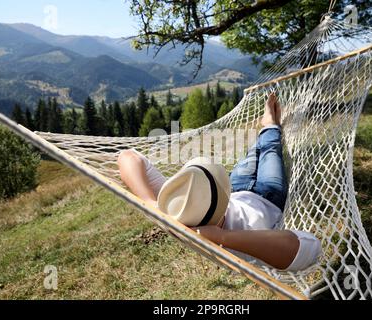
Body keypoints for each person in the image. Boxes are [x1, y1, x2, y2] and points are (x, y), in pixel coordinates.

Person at [118, 93, 322, 271]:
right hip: (269, 196)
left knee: (253, 151)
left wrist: (150, 203)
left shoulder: (177, 210)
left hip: (235, 188)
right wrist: (221, 237)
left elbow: (128, 157)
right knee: (269, 149)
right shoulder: (235, 246)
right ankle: (270, 124)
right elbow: (310, 247)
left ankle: (266, 126)